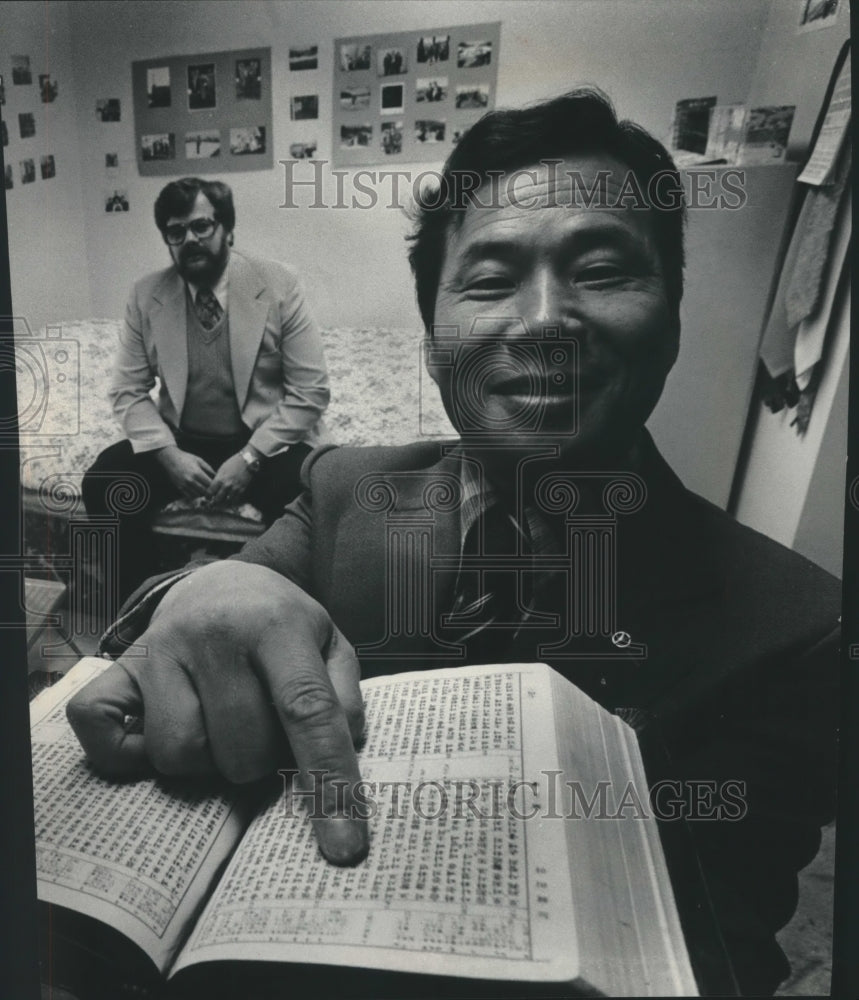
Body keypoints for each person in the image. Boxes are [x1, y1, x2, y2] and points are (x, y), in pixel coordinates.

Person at [67, 91, 839, 995]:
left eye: (601, 269)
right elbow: (241, 590)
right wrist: (195, 593)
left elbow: (722, 948)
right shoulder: (346, 488)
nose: (546, 321)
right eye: (489, 280)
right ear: (433, 329)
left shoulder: (794, 632)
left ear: (673, 312)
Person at [82, 177, 329, 599]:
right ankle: (139, 607)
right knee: (105, 481)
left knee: (316, 491)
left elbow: (311, 391)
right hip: (181, 442)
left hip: (263, 444)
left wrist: (250, 457)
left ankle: (277, 610)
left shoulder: (279, 284)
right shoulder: (147, 295)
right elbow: (127, 389)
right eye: (176, 233)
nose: (190, 240)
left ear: (227, 229)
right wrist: (167, 454)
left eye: (201, 227)